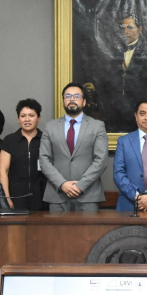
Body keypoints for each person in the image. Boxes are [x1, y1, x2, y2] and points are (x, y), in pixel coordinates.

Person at [39, 82, 109, 212]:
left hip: (88, 195)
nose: (72, 99)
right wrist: (62, 184)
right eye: (68, 96)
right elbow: (44, 159)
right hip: (57, 195)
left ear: (84, 102)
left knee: (88, 227)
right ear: (63, 102)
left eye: (77, 96)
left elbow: (101, 160)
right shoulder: (50, 126)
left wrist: (80, 185)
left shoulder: (97, 126)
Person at [0, 99, 48, 211]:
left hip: (42, 194)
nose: (27, 119)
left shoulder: (46, 139)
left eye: (31, 115)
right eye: (23, 116)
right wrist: (6, 197)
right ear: (18, 119)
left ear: (38, 118)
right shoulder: (9, 140)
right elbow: (3, 171)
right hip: (16, 194)